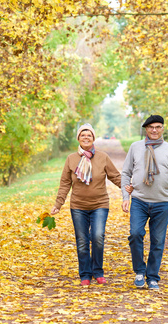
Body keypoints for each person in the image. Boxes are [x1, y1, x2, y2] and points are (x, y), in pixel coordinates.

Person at [121, 115, 168, 290]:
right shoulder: (135, 147)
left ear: (163, 129)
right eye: (151, 127)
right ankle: (139, 272)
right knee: (135, 234)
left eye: (158, 127)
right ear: (146, 129)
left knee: (158, 241)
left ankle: (152, 277)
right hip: (139, 200)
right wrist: (125, 196)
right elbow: (126, 173)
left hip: (162, 202)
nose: (154, 130)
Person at [51, 123, 122, 286]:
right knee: (82, 240)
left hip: (99, 204)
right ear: (78, 138)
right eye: (82, 135)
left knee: (97, 236)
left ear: (93, 138)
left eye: (89, 135)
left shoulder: (103, 157)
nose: (86, 137)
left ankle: (98, 272)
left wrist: (129, 188)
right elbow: (64, 183)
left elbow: (115, 176)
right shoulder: (71, 159)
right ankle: (85, 274)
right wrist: (58, 203)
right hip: (78, 206)